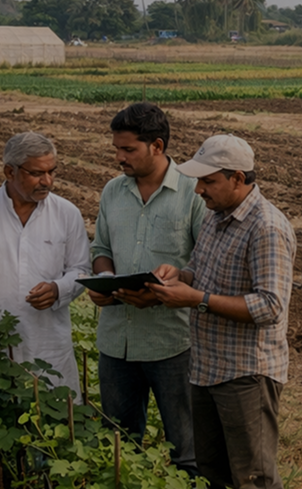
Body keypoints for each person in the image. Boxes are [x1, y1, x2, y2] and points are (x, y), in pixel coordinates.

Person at [150, 135, 296, 489]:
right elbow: (199, 269)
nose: (199, 189)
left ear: (238, 179)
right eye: (199, 180)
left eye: (208, 181)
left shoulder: (266, 227)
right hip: (207, 367)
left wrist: (196, 298)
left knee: (253, 478)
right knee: (212, 471)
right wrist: (179, 276)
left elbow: (270, 305)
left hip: (246, 373)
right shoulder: (216, 216)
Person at [88, 102, 207, 472]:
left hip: (172, 342)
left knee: (187, 450)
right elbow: (101, 249)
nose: (119, 158)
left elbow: (206, 263)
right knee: (119, 446)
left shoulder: (193, 193)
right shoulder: (113, 191)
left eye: (128, 149)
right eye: (116, 149)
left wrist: (162, 292)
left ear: (157, 146)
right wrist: (104, 280)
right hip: (116, 341)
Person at [0, 132, 91, 396]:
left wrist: (58, 289)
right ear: (9, 172)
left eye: (52, 171)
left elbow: (81, 270)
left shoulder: (67, 214)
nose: (47, 181)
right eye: (36, 173)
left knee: (53, 410)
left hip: (49, 344)